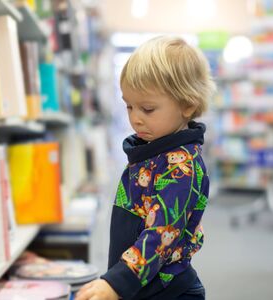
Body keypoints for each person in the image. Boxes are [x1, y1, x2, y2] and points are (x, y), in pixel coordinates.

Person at [75, 36, 214, 300]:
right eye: (129, 106)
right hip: (144, 285)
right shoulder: (151, 151)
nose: (135, 118)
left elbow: (161, 233)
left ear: (188, 105)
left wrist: (117, 283)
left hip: (168, 291)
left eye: (148, 109)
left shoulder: (181, 167)